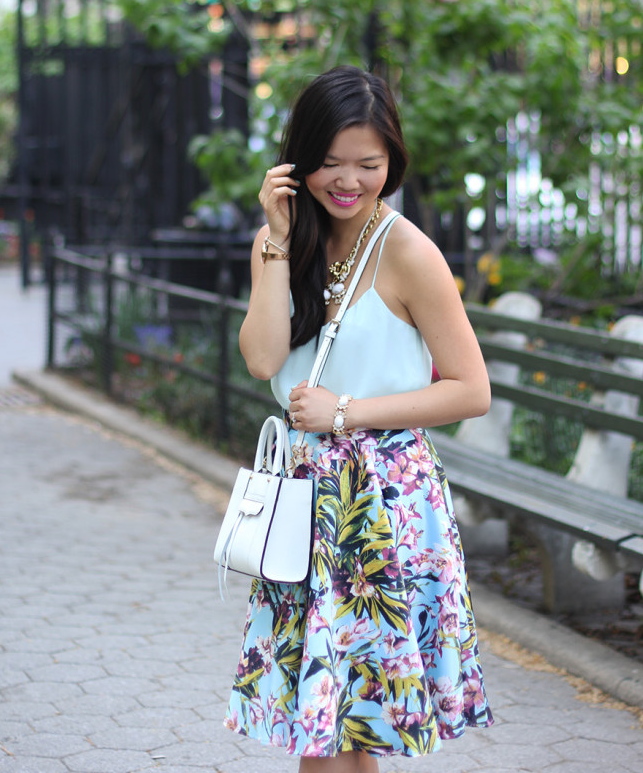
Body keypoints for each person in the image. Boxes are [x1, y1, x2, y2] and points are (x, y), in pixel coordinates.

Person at [224, 65, 493, 768]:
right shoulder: (281, 243)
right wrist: (276, 238)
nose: (347, 182)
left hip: (382, 503)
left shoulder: (407, 252)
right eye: (329, 164)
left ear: (391, 162)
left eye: (367, 165)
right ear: (298, 161)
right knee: (326, 720)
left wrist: (346, 412)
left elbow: (469, 389)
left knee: (346, 722)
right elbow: (260, 361)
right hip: (306, 505)